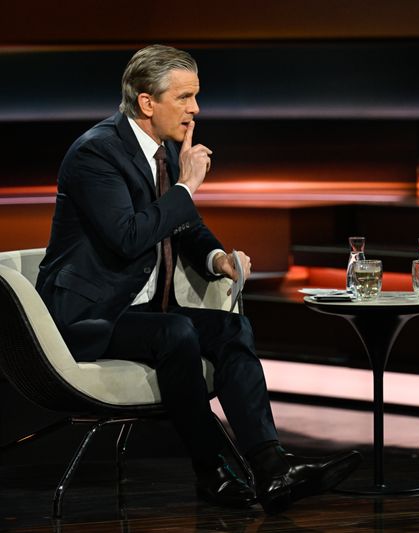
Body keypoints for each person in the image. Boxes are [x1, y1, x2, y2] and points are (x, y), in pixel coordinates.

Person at [35, 44, 361, 514]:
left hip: (141, 312)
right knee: (176, 331)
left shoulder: (163, 150)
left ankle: (272, 467)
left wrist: (215, 259)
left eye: (197, 96)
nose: (196, 109)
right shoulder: (95, 154)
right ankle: (212, 472)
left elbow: (182, 225)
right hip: (85, 317)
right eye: (185, 97)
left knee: (231, 329)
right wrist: (187, 186)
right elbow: (129, 237)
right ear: (148, 102)